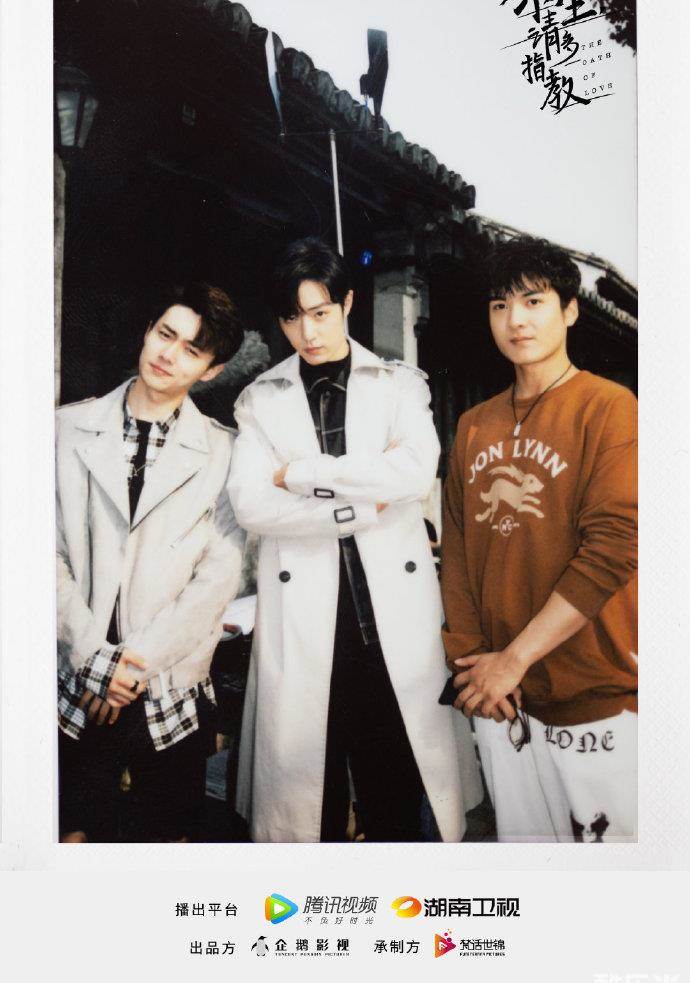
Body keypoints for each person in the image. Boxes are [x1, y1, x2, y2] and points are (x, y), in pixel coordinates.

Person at [228, 237, 481, 843]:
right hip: (304, 621)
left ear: (346, 303)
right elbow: (252, 504)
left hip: (387, 623)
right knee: (307, 803)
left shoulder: (399, 385)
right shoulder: (259, 400)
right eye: (293, 318)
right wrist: (362, 505)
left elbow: (414, 474)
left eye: (320, 312)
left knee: (393, 792)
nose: (308, 332)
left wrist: (303, 474)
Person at [441, 236, 637, 842]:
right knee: (527, 862)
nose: (516, 320)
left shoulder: (609, 407)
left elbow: (613, 548)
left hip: (592, 695)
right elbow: (458, 553)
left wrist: (514, 659)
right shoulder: (473, 425)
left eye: (533, 301)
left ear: (570, 311)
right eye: (500, 306)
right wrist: (473, 666)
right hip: (500, 697)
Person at [57, 282, 246, 842]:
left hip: (170, 688)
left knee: (166, 847)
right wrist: (94, 660)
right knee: (71, 838)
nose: (169, 354)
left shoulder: (225, 453)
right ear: (147, 332)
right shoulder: (64, 429)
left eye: (192, 349)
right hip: (75, 678)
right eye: (166, 334)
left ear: (211, 370)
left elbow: (216, 580)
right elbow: (43, 556)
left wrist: (128, 668)